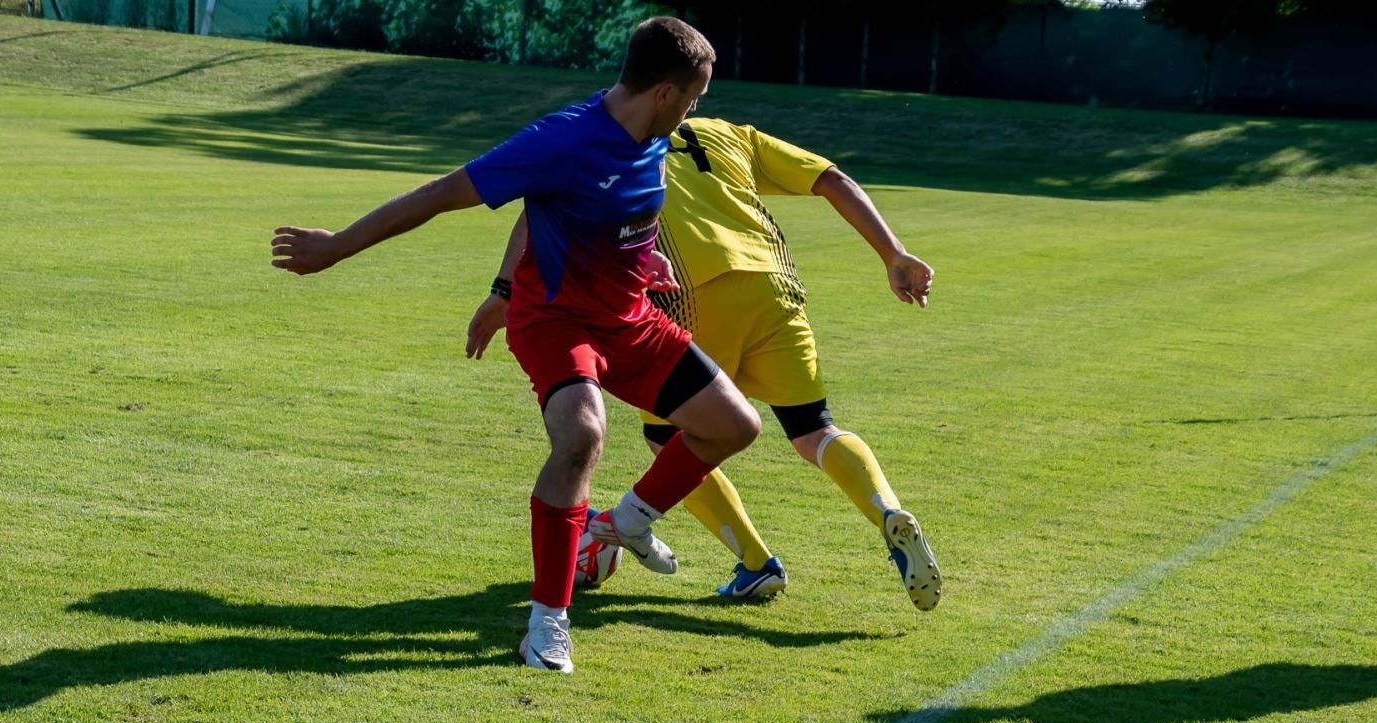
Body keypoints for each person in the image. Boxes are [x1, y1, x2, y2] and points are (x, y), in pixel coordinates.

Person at [272, 17, 760, 673]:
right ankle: (547, 622)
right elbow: (443, 192)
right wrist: (335, 248)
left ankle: (625, 522)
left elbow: (578, 210)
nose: (695, 111)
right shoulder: (565, 137)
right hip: (555, 321)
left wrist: (644, 261)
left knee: (733, 424)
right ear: (667, 93)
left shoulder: (649, 138)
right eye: (694, 99)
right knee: (583, 436)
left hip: (631, 317)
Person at [468, 116, 942, 611]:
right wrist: (895, 253)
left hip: (687, 292)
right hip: (772, 286)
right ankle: (887, 510)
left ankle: (756, 562)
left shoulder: (612, 139)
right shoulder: (733, 133)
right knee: (814, 429)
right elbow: (832, 179)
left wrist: (503, 290)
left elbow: (537, 212)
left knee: (671, 436)